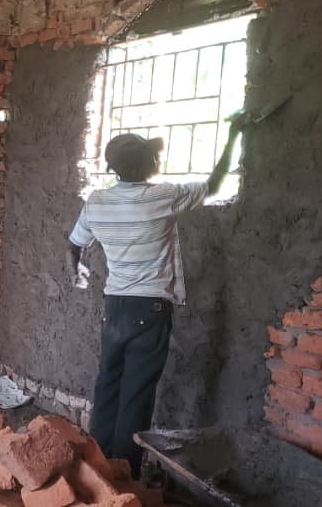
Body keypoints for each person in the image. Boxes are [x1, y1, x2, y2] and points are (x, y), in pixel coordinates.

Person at [67, 120, 243, 478]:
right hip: (150, 308)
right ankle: (124, 476)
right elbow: (214, 184)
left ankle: (96, 469)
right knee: (137, 394)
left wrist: (77, 270)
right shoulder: (163, 196)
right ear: (149, 163)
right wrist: (233, 135)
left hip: (114, 307)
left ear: (113, 168)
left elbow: (74, 244)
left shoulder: (97, 201)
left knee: (108, 385)